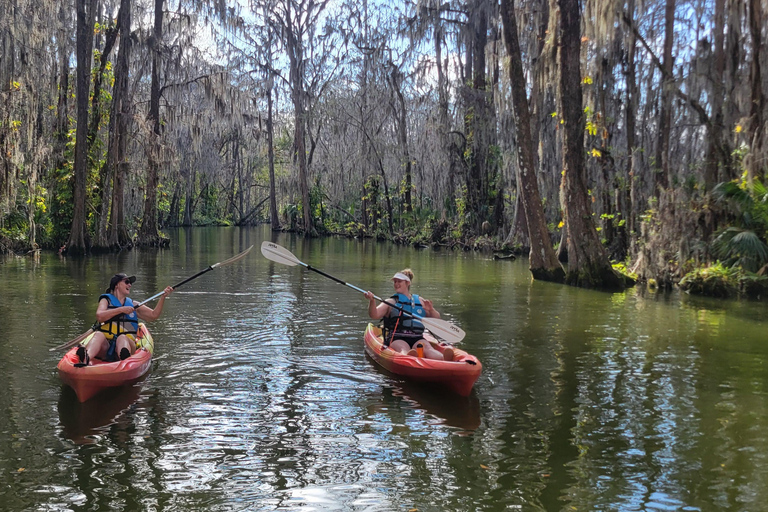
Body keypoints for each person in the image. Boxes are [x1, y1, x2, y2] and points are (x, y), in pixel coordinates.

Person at [76, 273, 173, 367]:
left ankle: (125, 361)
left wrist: (163, 298)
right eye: (127, 282)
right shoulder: (105, 300)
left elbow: (153, 315)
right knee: (98, 334)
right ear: (117, 285)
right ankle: (86, 358)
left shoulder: (133, 305)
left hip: (127, 345)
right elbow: (99, 316)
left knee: (122, 337)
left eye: (130, 283)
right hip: (106, 346)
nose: (130, 285)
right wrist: (121, 310)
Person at [364, 269, 453, 361]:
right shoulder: (391, 302)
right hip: (397, 337)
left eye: (399, 281)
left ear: (407, 283)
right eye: (395, 281)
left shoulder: (420, 301)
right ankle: (409, 357)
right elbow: (374, 315)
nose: (396, 284)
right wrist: (372, 301)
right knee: (403, 348)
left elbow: (436, 319)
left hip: (417, 337)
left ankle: (443, 359)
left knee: (428, 348)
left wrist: (431, 310)